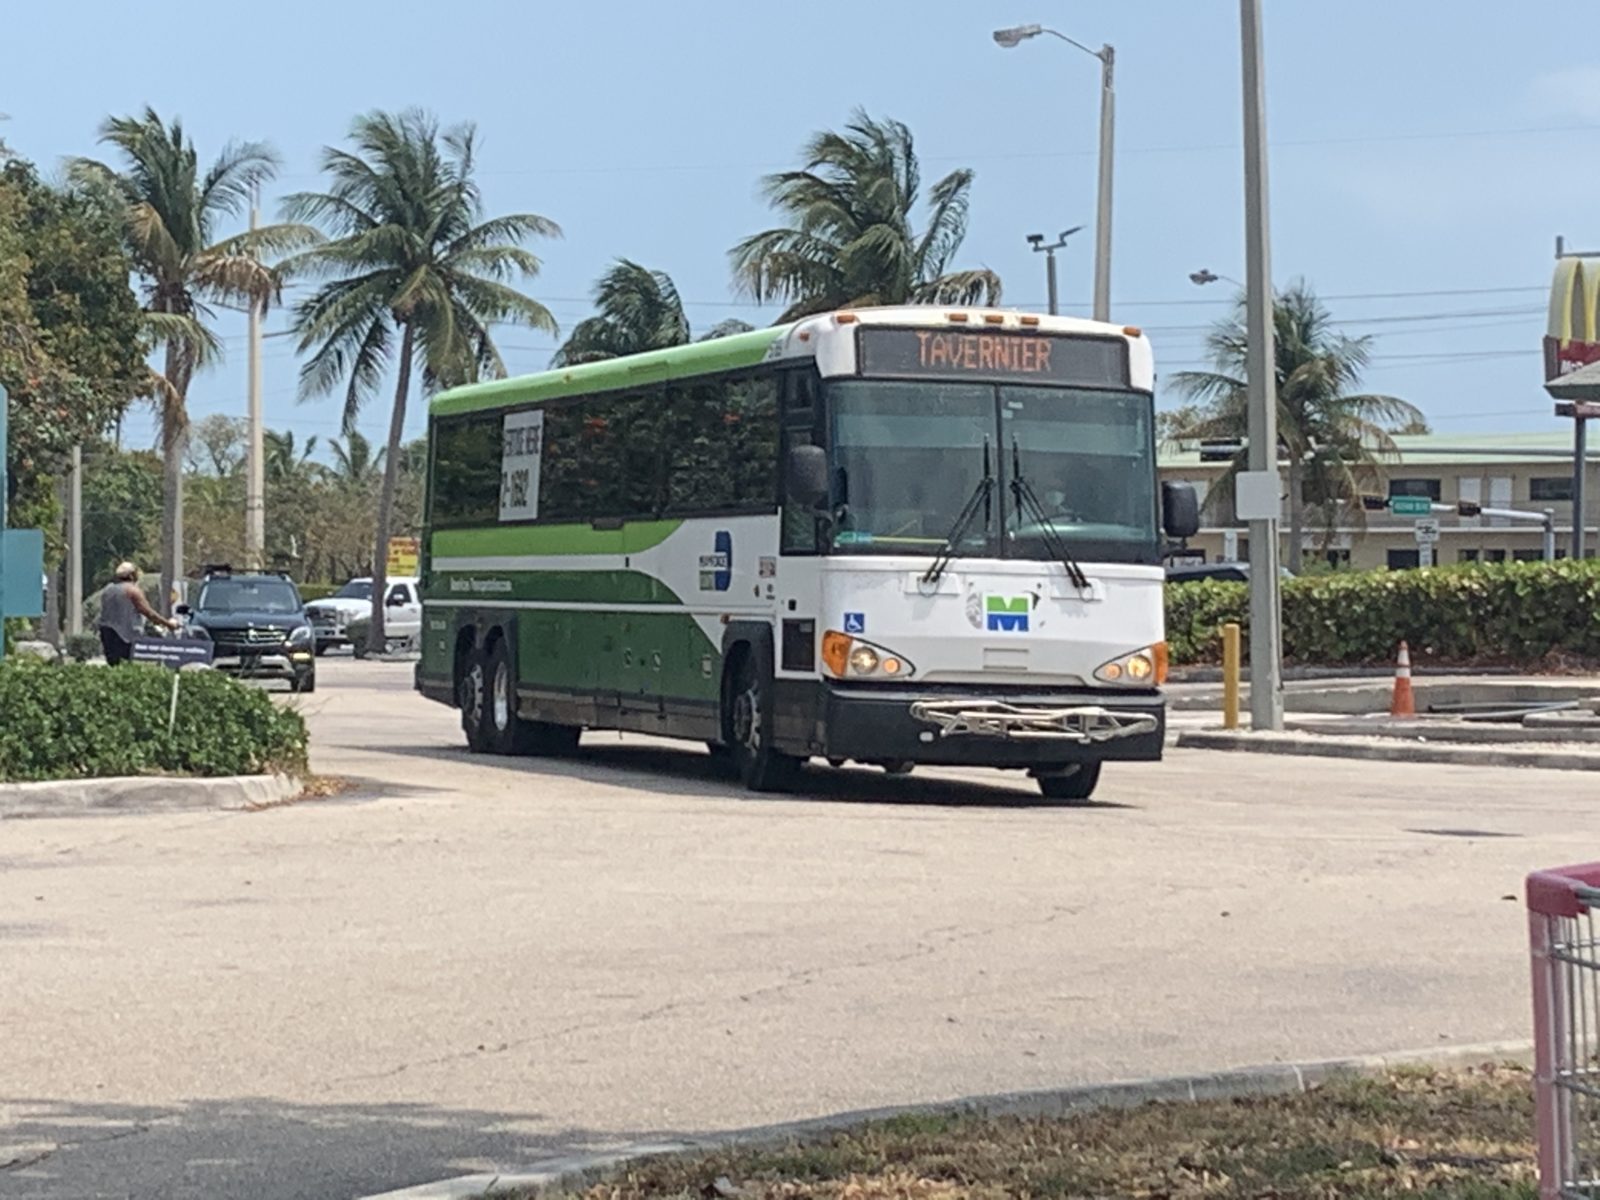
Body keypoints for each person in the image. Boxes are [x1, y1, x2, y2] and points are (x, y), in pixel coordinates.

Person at [97, 562, 177, 665]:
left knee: (113, 665)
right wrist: (168, 624)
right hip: (125, 636)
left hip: (106, 632)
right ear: (131, 575)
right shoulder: (133, 590)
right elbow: (149, 613)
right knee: (128, 665)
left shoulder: (107, 590)